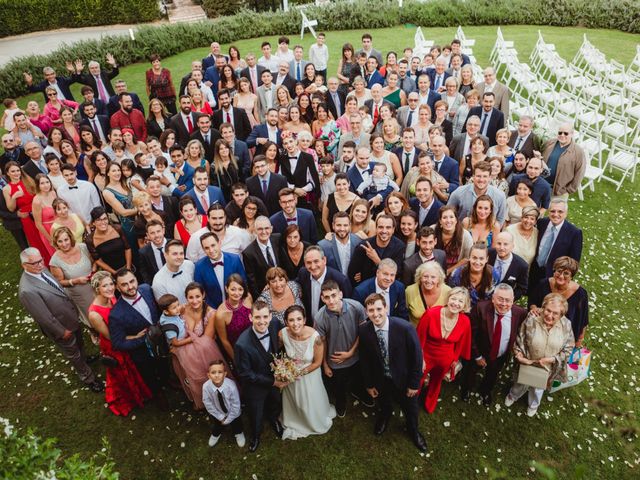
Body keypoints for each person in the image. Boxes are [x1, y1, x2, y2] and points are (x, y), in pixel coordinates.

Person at [18, 247, 102, 392]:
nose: (40, 265)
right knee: (73, 353)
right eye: (35, 263)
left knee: (79, 343)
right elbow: (43, 317)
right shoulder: (27, 290)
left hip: (70, 317)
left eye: (41, 260)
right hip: (61, 327)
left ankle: (84, 359)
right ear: (24, 265)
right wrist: (62, 331)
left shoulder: (40, 270)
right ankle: (88, 377)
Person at [359, 293, 426, 451]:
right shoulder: (364, 330)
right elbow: (365, 360)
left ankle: (413, 431)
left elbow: (417, 358)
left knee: (410, 408)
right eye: (371, 310)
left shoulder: (405, 328)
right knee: (384, 402)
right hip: (381, 378)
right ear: (366, 312)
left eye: (378, 309)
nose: (375, 314)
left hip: (404, 378)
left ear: (386, 308)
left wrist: (414, 384)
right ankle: (385, 416)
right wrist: (369, 384)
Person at [88, 271, 151, 415]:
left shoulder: (112, 298)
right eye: (105, 286)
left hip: (124, 336)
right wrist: (134, 336)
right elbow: (111, 337)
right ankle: (132, 397)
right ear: (97, 289)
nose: (110, 288)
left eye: (111, 284)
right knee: (124, 373)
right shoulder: (94, 314)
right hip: (114, 346)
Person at [505, 293, 574, 417]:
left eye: (555, 313)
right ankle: (513, 395)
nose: (550, 315)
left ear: (561, 315)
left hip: (548, 366)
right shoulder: (532, 319)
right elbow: (520, 339)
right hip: (528, 362)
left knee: (538, 389)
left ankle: (533, 405)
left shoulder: (566, 325)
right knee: (520, 383)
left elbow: (569, 348)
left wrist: (553, 359)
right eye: (548, 310)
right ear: (542, 307)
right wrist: (519, 355)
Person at [109, 268, 168, 406]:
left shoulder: (147, 289)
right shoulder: (116, 314)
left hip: (161, 341)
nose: (130, 287)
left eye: (132, 281)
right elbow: (117, 343)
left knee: (164, 365)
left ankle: (167, 381)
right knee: (150, 375)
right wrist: (143, 339)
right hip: (142, 353)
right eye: (124, 284)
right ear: (117, 287)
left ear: (136, 279)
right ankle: (158, 394)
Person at [460, 284, 527, 405]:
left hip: (500, 354)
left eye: (508, 300)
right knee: (470, 372)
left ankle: (485, 391)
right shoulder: (481, 308)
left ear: (513, 301)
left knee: (492, 374)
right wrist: (477, 356)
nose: (503, 303)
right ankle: (466, 389)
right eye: (500, 299)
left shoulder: (520, 313)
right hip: (479, 351)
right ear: (493, 298)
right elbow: (471, 335)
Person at [234, 300, 285, 452]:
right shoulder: (242, 344)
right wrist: (272, 382)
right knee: (256, 413)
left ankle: (274, 420)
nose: (262, 321)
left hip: (276, 377)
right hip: (255, 386)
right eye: (257, 317)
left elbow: (283, 338)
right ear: (251, 318)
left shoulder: (275, 323)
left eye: (265, 317)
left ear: (270, 316)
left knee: (275, 402)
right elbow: (245, 373)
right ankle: (256, 435)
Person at [278, 304, 336, 439]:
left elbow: (317, 363)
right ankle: (294, 418)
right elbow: (276, 352)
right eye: (291, 320)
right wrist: (283, 368)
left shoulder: (315, 338)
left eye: (299, 319)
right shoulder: (282, 334)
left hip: (309, 375)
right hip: (290, 375)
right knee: (295, 401)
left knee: (309, 402)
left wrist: (297, 374)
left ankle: (312, 420)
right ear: (286, 322)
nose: (295, 323)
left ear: (304, 320)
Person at [417, 287, 472, 413]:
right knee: (418, 378)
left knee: (436, 381)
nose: (456, 303)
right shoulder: (431, 313)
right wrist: (420, 358)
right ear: (448, 299)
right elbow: (419, 337)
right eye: (453, 299)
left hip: (446, 357)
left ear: (464, 305)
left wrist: (454, 360)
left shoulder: (465, 321)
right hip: (426, 354)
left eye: (460, 301)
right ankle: (412, 399)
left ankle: (429, 402)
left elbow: (461, 343)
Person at [528, 256, 589, 347]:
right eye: (559, 271)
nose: (561, 276)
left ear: (571, 276)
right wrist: (534, 308)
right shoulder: (543, 284)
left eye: (566, 273)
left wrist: (579, 340)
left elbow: (583, 319)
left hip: (564, 337)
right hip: (540, 330)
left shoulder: (580, 294)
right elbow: (532, 301)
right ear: (554, 271)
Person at [2, 161, 52, 265]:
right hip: (27, 218)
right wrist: (14, 196)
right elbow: (11, 208)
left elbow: (40, 193)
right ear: (7, 173)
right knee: (37, 240)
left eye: (17, 170)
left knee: (47, 234)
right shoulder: (7, 189)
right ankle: (45, 263)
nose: (16, 173)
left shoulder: (28, 180)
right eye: (13, 171)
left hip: (39, 212)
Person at [529, 198, 583, 289]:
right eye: (552, 211)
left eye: (560, 212)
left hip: (554, 274)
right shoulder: (541, 223)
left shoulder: (574, 233)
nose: (555, 215)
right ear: (549, 212)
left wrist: (564, 279)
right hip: (534, 269)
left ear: (566, 213)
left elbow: (574, 262)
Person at [48, 226, 95, 329]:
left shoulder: (83, 247)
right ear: (56, 243)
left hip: (95, 285)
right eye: (60, 241)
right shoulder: (55, 261)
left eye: (66, 239)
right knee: (90, 315)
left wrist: (94, 272)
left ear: (70, 238)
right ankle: (94, 330)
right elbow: (59, 282)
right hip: (79, 293)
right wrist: (75, 281)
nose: (64, 244)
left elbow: (94, 262)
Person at [297, 245, 352, 321]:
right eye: (308, 263)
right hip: (310, 325)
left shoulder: (340, 280)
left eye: (316, 261)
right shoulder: (303, 274)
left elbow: (348, 308)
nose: (313, 266)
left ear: (324, 260)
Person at [348, 214, 405, 286]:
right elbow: (352, 273)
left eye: (388, 228)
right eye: (381, 227)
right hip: (367, 288)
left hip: (388, 287)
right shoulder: (363, 246)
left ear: (393, 229)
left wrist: (377, 260)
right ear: (376, 228)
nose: (384, 231)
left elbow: (397, 274)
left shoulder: (399, 247)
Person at [194, 232, 247, 309]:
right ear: (203, 249)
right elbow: (200, 291)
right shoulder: (199, 266)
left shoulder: (235, 259)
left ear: (219, 243)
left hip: (237, 306)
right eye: (207, 248)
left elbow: (244, 283)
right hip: (213, 310)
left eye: (213, 245)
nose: (211, 250)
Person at [202, 360, 246, 448]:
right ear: (208, 375)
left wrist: (229, 419)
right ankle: (216, 434)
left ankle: (238, 433)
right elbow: (207, 403)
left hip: (233, 412)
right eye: (213, 372)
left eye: (220, 372)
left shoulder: (231, 386)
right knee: (217, 424)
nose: (217, 375)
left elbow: (236, 404)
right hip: (217, 411)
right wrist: (220, 417)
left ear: (225, 374)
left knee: (236, 423)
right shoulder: (206, 387)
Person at [214, 274, 253, 361]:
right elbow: (224, 341)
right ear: (226, 289)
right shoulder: (220, 314)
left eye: (240, 289)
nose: (237, 293)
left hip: (255, 342)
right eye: (233, 289)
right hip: (239, 350)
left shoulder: (248, 298)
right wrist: (235, 359)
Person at [542, 124, 586, 198]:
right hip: (541, 183)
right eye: (560, 133)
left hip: (558, 192)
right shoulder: (550, 143)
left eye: (566, 133)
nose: (562, 135)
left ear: (572, 134)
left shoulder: (578, 152)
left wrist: (568, 190)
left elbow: (580, 173)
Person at [242, 216, 281, 299]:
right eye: (260, 229)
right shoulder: (248, 253)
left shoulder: (279, 239)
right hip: (265, 293)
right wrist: (260, 298)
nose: (264, 232)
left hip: (283, 287)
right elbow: (252, 281)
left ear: (271, 229)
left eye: (266, 228)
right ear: (255, 230)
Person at [86, 207, 132, 274]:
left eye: (105, 219)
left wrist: (128, 268)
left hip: (126, 267)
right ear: (93, 223)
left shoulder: (117, 229)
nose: (103, 222)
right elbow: (97, 260)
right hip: (109, 272)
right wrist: (114, 273)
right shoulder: (90, 240)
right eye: (99, 220)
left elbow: (127, 248)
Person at [448, 242, 497, 306]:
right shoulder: (457, 274)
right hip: (461, 309)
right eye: (474, 258)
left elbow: (493, 297)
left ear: (486, 259)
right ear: (469, 257)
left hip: (484, 310)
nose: (477, 262)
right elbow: (452, 296)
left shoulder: (494, 274)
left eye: (481, 258)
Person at [151, 239, 195, 304]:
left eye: (181, 253)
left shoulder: (190, 265)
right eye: (175, 254)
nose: (179, 257)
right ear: (165, 255)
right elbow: (167, 308)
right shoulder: (158, 282)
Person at [434, 205, 473, 274]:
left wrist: (448, 271)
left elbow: (467, 260)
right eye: (444, 217)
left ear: (456, 220)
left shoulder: (465, 236)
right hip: (434, 271)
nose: (448, 221)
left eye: (451, 217)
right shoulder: (432, 231)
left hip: (457, 272)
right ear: (440, 221)